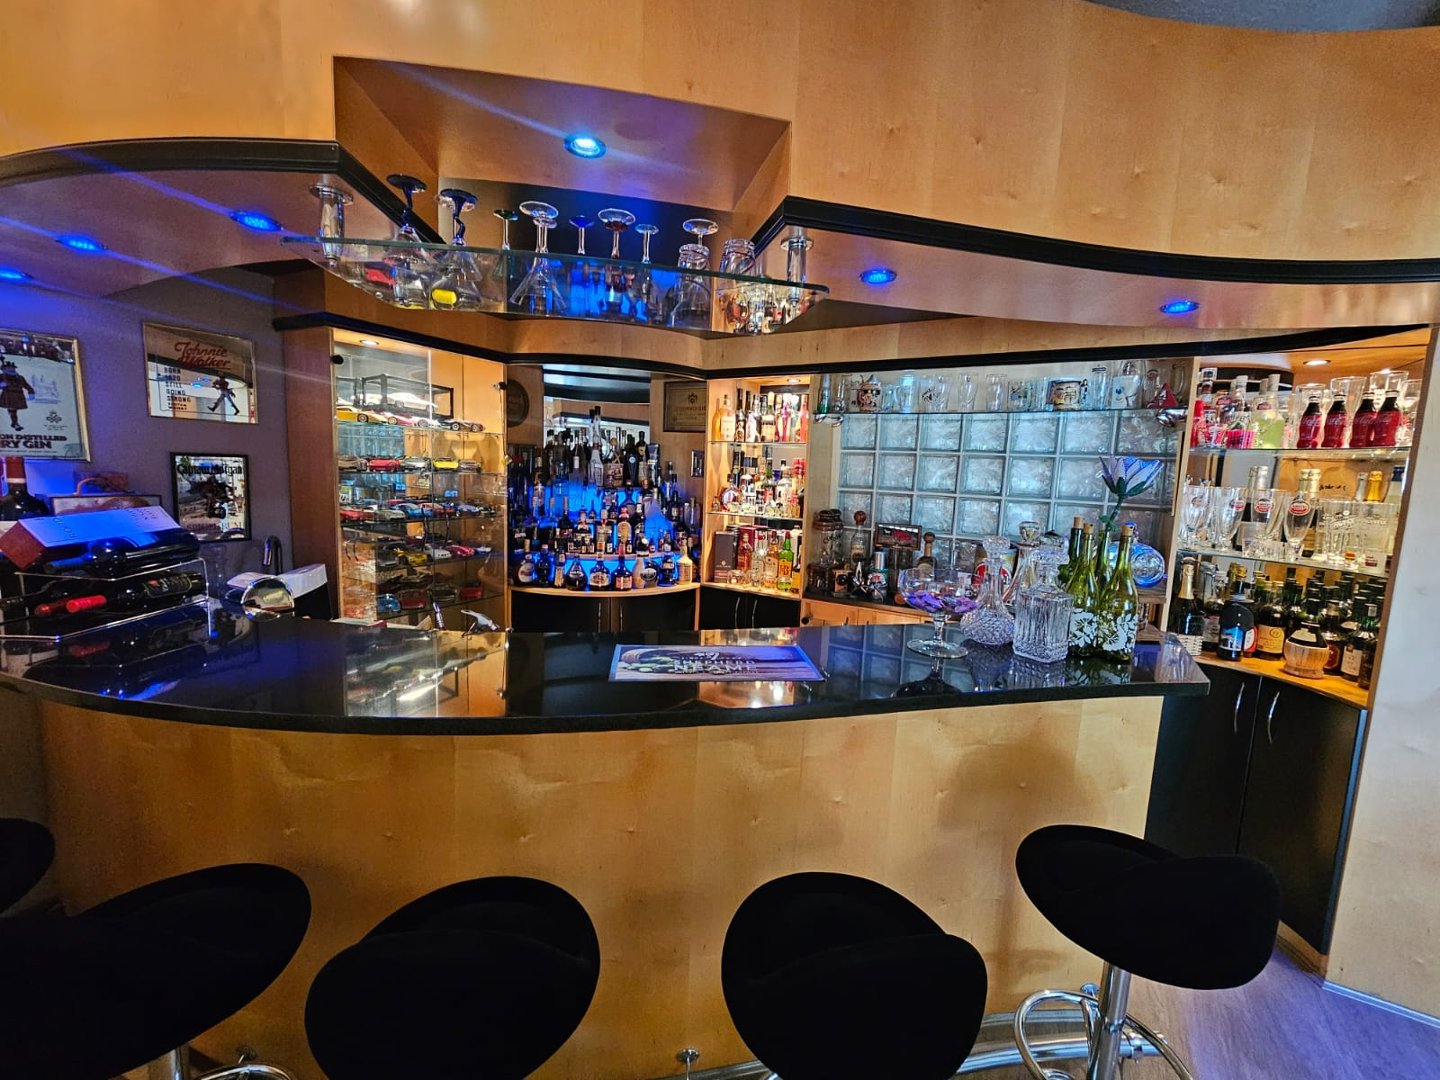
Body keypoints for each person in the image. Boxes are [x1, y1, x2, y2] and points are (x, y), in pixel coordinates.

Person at [0, 359, 34, 432]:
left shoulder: (20, 377)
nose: (11, 369)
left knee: (13, 410)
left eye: (13, 368)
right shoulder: (2, 376)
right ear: (5, 369)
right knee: (12, 410)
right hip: (8, 395)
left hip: (19, 396)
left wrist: (31, 392)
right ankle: (15, 423)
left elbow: (26, 385)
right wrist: (1, 385)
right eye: (9, 368)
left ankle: (14, 423)